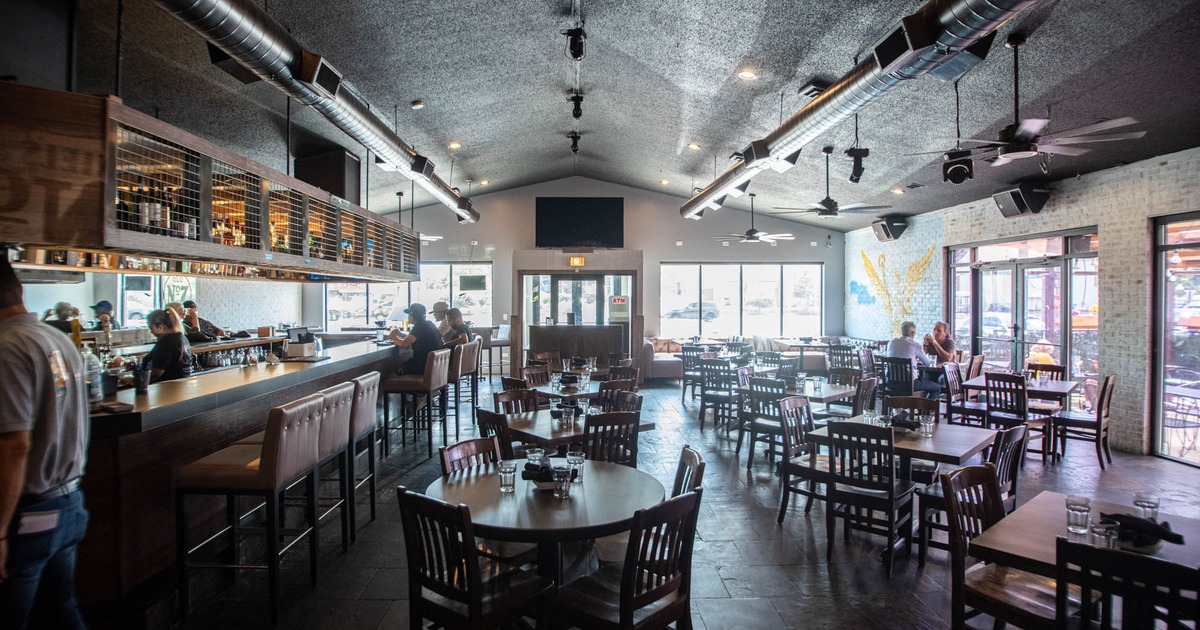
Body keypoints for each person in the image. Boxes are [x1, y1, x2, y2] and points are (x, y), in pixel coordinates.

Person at [0, 256, 90, 629]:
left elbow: (14, 445)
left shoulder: (8, 346)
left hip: (29, 512)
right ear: (20, 289)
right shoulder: (57, 338)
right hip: (68, 502)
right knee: (60, 612)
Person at [887, 320, 941, 398]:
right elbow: (928, 364)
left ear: (901, 332)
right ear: (912, 333)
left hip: (891, 383)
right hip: (910, 384)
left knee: (924, 382)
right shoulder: (915, 345)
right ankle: (925, 405)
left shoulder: (891, 343)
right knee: (936, 388)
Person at [388, 303, 442, 374]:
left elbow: (403, 344)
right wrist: (399, 334)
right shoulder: (429, 324)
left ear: (413, 316)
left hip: (422, 367)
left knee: (391, 373)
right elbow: (414, 338)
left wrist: (393, 336)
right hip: (434, 366)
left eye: (409, 315)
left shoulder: (418, 327)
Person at [144, 308, 194, 383]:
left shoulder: (165, 342)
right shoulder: (181, 337)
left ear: (161, 327)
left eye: (151, 328)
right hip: (183, 383)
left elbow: (157, 372)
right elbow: (149, 357)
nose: (151, 332)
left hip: (169, 385)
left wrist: (137, 381)